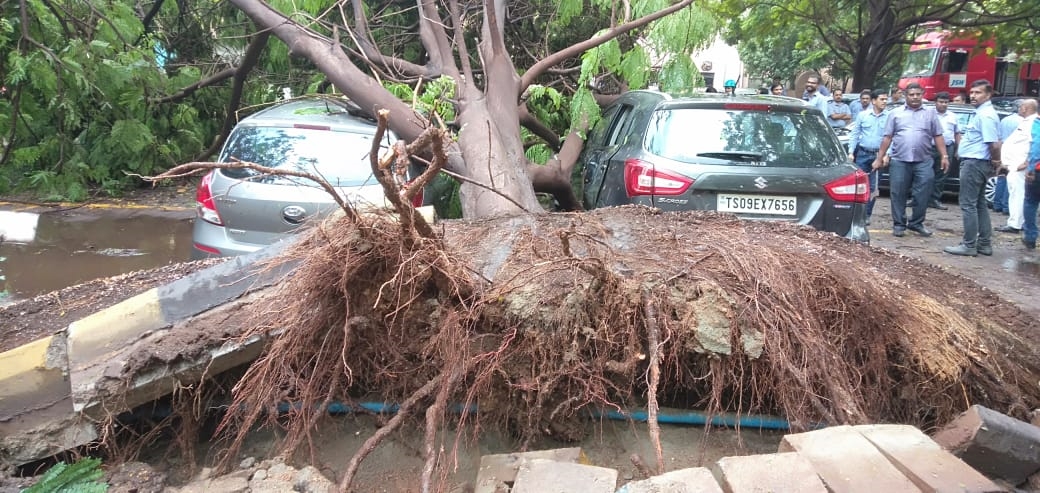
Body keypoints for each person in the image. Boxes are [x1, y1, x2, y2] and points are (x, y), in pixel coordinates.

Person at [873, 82, 947, 237]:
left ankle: (916, 223)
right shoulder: (895, 113)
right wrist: (879, 158)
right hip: (900, 160)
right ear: (906, 95)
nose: (915, 97)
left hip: (924, 160)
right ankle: (899, 224)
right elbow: (887, 137)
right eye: (911, 94)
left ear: (922, 94)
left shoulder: (930, 113)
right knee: (898, 193)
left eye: (918, 94)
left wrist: (944, 155)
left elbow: (938, 135)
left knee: (923, 193)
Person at [945, 79, 1002, 257]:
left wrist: (996, 161)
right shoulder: (982, 113)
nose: (973, 96)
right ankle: (984, 243)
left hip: (975, 163)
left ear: (988, 94)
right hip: (976, 162)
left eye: (978, 93)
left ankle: (969, 245)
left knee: (968, 204)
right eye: (972, 92)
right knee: (979, 204)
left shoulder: (986, 115)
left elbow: (994, 144)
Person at [847, 89, 890, 223]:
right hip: (863, 154)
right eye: (882, 99)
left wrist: (887, 155)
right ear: (873, 101)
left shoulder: (889, 117)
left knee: (873, 187)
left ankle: (866, 215)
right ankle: (856, 213)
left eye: (885, 99)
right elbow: (854, 134)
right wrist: (850, 152)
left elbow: (892, 137)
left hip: (878, 154)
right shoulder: (863, 115)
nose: (885, 102)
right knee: (859, 184)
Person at [997, 98, 1038, 233]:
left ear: (1025, 108)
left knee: (1019, 194)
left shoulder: (1033, 122)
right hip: (1015, 165)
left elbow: (1035, 144)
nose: (1019, 108)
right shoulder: (1026, 122)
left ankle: (1016, 224)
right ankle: (1015, 221)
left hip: (1021, 166)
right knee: (1015, 193)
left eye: (1021, 106)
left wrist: (1027, 162)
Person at [929, 92, 960, 210]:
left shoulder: (953, 116)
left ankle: (935, 199)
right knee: (924, 174)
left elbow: (957, 133)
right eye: (941, 102)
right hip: (929, 148)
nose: (943, 104)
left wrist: (959, 148)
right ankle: (919, 198)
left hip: (948, 148)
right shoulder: (929, 114)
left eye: (946, 102)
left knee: (942, 174)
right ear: (935, 102)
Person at [993, 100, 1025, 214]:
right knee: (1011, 178)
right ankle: (1006, 206)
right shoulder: (1022, 122)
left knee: (1002, 176)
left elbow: (1000, 137)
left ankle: (997, 204)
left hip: (1003, 149)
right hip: (1016, 152)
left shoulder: (1005, 119)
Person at [1023, 117, 1040, 250]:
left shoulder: (1038, 123)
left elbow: (1036, 147)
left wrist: (1031, 168)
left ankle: (1030, 237)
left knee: (1030, 202)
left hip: (1038, 170)